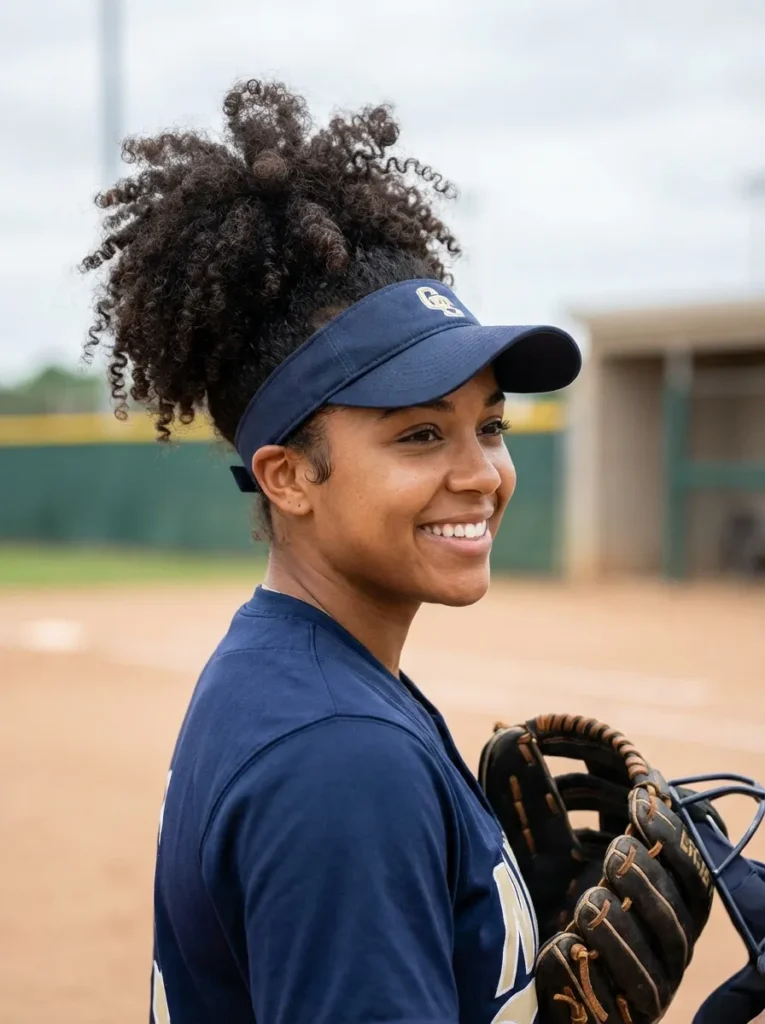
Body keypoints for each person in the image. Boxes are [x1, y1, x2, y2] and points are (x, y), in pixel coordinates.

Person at [81, 78, 752, 1024]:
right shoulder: (340, 759)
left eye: (490, 424)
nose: (481, 472)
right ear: (287, 477)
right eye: (419, 436)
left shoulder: (301, 675)